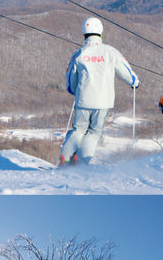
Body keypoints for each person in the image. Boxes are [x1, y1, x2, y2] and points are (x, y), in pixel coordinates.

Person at [59, 17, 139, 166]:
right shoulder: (110, 52)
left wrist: (73, 90)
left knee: (78, 130)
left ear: (84, 34)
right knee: (94, 132)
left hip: (83, 100)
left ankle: (66, 157)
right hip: (103, 101)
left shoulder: (80, 53)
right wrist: (134, 82)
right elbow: (125, 70)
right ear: (101, 34)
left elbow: (71, 79)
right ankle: (83, 161)